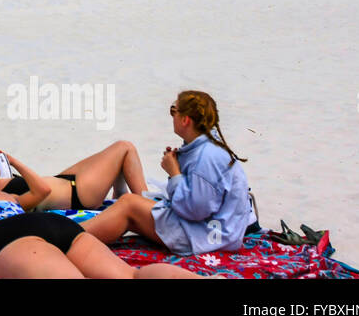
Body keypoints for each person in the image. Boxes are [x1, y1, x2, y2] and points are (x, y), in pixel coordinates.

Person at [0, 148, 197, 279]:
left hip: (5, 239)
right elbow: (39, 192)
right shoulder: (6, 196)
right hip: (51, 224)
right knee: (131, 276)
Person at [80, 91, 255, 255]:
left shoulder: (206, 157)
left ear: (185, 120)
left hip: (212, 237)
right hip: (217, 232)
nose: (172, 117)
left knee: (129, 204)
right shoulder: (206, 146)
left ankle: (68, 238)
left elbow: (195, 211)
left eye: (174, 111)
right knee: (135, 208)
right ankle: (77, 234)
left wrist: (174, 173)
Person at [0, 140, 146, 212]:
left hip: (64, 181)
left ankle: (119, 195)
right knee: (125, 148)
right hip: (79, 194)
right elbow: (42, 190)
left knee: (114, 159)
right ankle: (148, 206)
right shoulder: (3, 197)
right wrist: (13, 161)